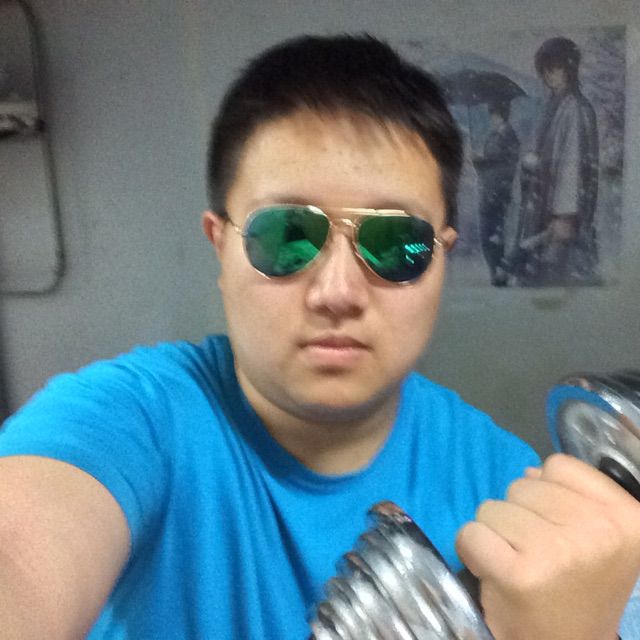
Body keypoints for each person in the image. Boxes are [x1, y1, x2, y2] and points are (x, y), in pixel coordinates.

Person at [0, 34, 638, 640]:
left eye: (396, 242)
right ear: (221, 247)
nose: (337, 291)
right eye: (285, 235)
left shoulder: (502, 482)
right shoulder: (126, 420)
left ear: (440, 258)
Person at [506, 36, 600, 286]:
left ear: (569, 68)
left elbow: (573, 163)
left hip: (561, 214)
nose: (549, 75)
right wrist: (531, 163)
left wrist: (565, 214)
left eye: (555, 67)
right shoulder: (552, 105)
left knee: (558, 279)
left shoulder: (576, 109)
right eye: (545, 69)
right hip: (542, 203)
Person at [473, 100, 520, 286]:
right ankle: (495, 270)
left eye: (494, 115)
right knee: (488, 232)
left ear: (501, 115)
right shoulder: (494, 136)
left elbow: (507, 163)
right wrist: (481, 163)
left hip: (498, 192)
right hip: (489, 189)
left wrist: (485, 161)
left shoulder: (509, 137)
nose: (492, 119)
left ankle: (499, 270)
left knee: (493, 232)